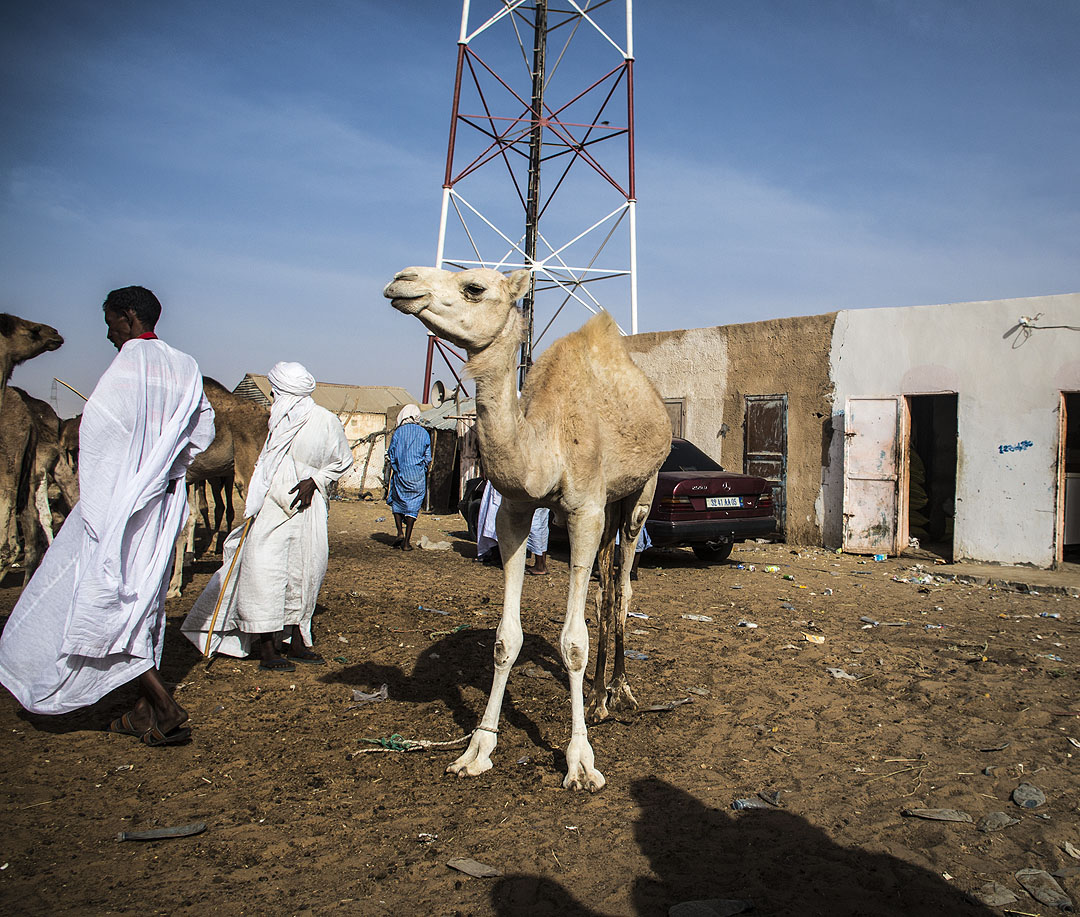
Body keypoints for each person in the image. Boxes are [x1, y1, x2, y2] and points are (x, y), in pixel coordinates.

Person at [0, 286, 215, 745]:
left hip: (116, 506)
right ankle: (146, 711)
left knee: (99, 598)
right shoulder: (186, 365)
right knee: (141, 601)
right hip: (159, 505)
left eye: (111, 321)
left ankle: (163, 704)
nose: (107, 332)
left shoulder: (126, 367)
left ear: (129, 317)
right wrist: (167, 471)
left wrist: (108, 496)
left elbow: (100, 436)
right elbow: (203, 430)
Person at [182, 362, 352, 671]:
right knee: (263, 571)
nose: (272, 395)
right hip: (271, 506)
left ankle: (299, 641)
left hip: (308, 509)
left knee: (305, 572)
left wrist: (315, 481)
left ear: (287, 391)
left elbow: (343, 460)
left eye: (276, 391)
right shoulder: (275, 421)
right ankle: (268, 648)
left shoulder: (325, 421)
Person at [475, 480, 550, 575]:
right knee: (539, 522)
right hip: (540, 485)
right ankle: (540, 564)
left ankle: (540, 565)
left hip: (532, 485)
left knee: (535, 522)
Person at [385, 404, 431, 551]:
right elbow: (428, 457)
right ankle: (407, 542)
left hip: (401, 473)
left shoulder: (398, 433)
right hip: (417, 476)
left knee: (397, 502)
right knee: (413, 507)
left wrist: (396, 467)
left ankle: (399, 532)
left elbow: (391, 453)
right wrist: (421, 469)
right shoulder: (424, 433)